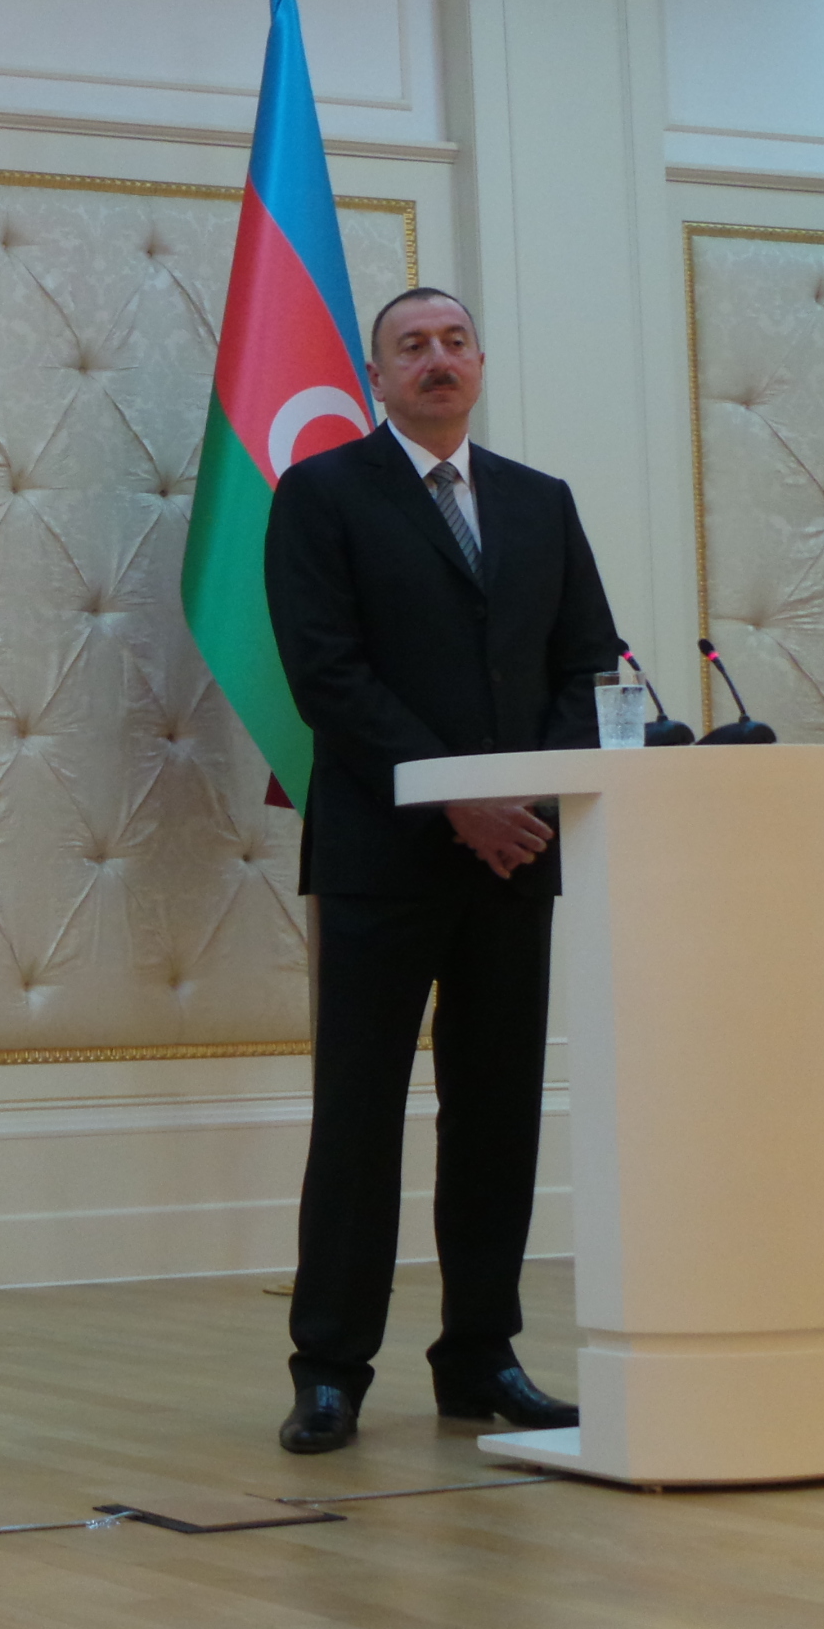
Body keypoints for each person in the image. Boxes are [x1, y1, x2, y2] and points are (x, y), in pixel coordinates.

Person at [262, 286, 621, 1455]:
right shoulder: (322, 496)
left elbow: (589, 666)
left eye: (455, 342)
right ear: (378, 375)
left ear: (480, 364)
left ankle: (481, 1357)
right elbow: (328, 675)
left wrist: (519, 798)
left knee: (498, 1114)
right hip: (382, 856)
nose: (437, 361)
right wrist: (453, 793)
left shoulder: (540, 501)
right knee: (360, 1114)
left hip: (516, 856)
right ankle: (330, 1370)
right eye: (411, 347)